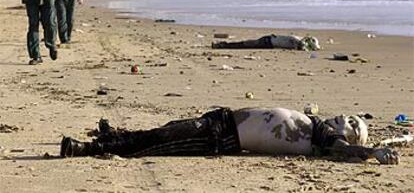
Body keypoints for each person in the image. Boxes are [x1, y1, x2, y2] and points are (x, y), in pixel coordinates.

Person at [60, 107, 400, 164]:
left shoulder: (323, 138)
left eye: (354, 125)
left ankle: (88, 149)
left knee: (157, 143)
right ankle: (113, 135)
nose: (347, 119)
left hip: (220, 138)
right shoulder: (313, 121)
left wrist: (371, 154)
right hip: (221, 119)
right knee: (162, 131)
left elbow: (342, 151)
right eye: (352, 116)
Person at [212, 34, 320, 51]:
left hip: (269, 43)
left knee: (245, 45)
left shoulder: (297, 41)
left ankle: (222, 45)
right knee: (244, 44)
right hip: (268, 41)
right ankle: (221, 45)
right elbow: (301, 45)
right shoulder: (296, 39)